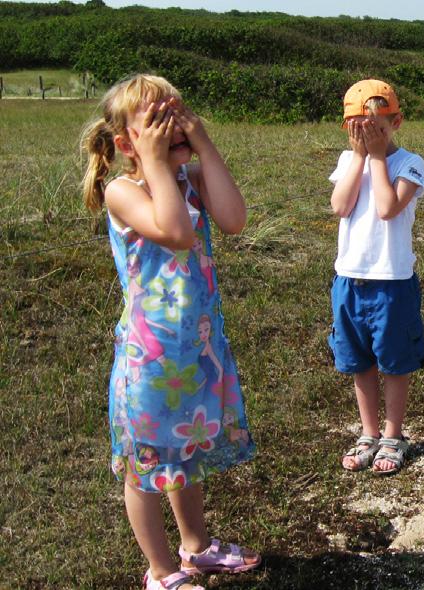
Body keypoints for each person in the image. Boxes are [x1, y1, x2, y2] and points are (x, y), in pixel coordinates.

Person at [80, 74, 259, 590]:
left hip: (198, 348)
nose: (172, 126)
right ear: (125, 144)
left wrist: (201, 143)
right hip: (150, 362)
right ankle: (160, 571)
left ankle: (196, 547)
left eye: (177, 113)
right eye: (157, 122)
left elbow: (234, 220)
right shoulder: (122, 190)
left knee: (189, 453)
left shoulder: (190, 179)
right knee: (146, 469)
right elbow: (177, 233)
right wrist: (157, 161)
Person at [329, 79, 424, 475]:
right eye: (359, 128)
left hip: (392, 281)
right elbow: (341, 205)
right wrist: (359, 157)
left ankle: (393, 434)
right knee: (358, 362)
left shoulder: (410, 163)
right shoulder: (346, 160)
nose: (368, 135)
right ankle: (368, 432)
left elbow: (387, 207)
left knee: (394, 362)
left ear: (397, 122)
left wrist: (376, 157)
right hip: (349, 279)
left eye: (378, 127)